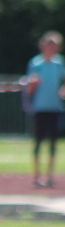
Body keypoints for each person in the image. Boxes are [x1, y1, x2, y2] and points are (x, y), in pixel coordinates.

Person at [26, 31, 65, 188]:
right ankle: (36, 175)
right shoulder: (36, 64)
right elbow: (29, 89)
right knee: (38, 142)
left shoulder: (59, 63)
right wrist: (32, 85)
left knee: (53, 143)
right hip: (40, 107)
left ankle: (50, 176)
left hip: (54, 107)